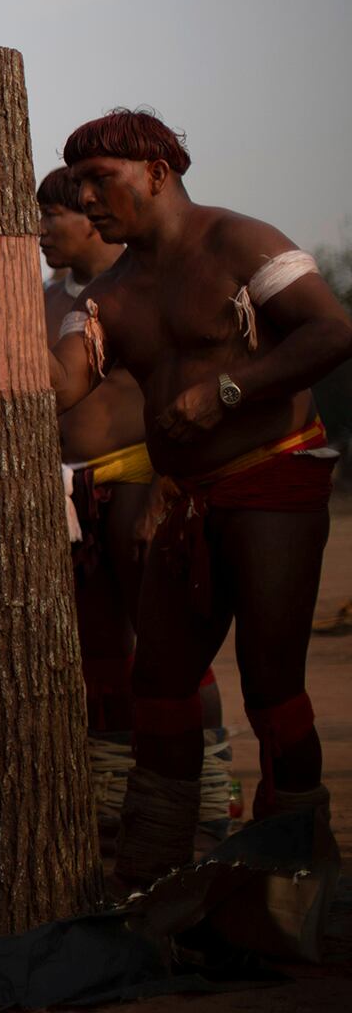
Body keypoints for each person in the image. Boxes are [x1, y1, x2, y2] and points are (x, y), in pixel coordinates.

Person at [48, 109, 352, 886]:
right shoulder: (109, 293)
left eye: (100, 180)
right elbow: (57, 387)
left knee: (271, 680)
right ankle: (153, 874)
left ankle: (296, 875)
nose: (86, 199)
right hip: (184, 496)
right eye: (78, 184)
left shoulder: (239, 241)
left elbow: (331, 331)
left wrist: (228, 390)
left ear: (157, 169)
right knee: (159, 682)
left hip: (273, 474)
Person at [39, 165, 231, 842]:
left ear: (91, 216)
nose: (40, 232)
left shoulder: (141, 290)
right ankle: (119, 805)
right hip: (67, 489)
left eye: (52, 217)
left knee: (168, 646)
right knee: (99, 657)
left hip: (139, 473)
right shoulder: (42, 301)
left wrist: (162, 486)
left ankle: (206, 800)